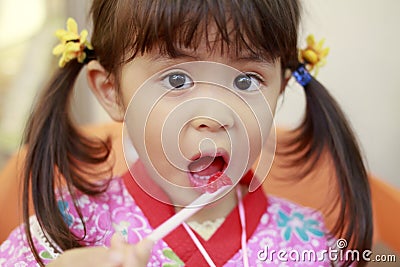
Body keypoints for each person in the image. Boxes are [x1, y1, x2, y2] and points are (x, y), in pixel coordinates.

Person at [0, 0, 372, 266]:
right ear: (113, 92)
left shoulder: (310, 242)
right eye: (177, 79)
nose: (213, 115)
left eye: (246, 81)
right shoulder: (63, 231)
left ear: (279, 91)